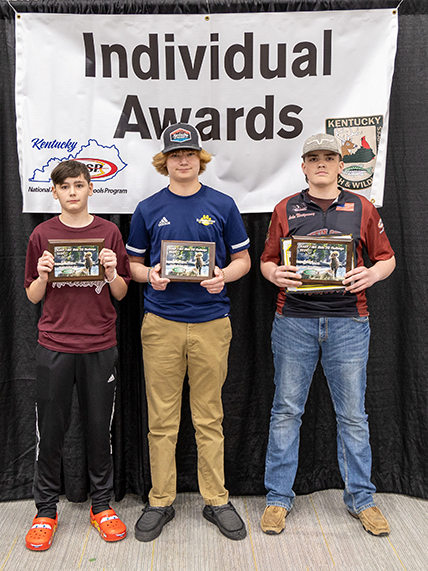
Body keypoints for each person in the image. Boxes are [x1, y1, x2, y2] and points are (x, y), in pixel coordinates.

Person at [259, 133, 396, 537]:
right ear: (303, 166)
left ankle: (362, 499)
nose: (321, 164)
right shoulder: (285, 208)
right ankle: (277, 499)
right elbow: (267, 261)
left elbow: (387, 258)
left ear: (341, 165)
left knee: (353, 415)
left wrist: (371, 273)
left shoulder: (362, 207)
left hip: (348, 323)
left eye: (329, 158)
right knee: (286, 412)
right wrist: (274, 274)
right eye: (313, 158)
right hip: (294, 321)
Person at [126, 123, 251, 542]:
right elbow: (133, 265)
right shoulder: (147, 208)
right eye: (176, 154)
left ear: (200, 159)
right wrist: (150, 276)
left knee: (209, 417)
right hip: (160, 323)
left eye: (190, 154)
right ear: (165, 161)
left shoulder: (222, 204)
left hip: (212, 323)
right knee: (161, 420)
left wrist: (223, 276)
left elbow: (243, 260)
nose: (183, 160)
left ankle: (216, 500)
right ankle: (160, 500)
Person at [23, 160, 131, 550]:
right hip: (54, 344)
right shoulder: (42, 234)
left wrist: (111, 273)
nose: (72, 192)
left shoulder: (108, 232)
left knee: (98, 429)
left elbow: (121, 294)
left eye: (79, 185)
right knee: (50, 432)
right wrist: (42, 276)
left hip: (99, 344)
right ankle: (45, 511)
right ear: (54, 192)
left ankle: (101, 506)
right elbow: (32, 296)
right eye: (65, 186)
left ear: (90, 190)